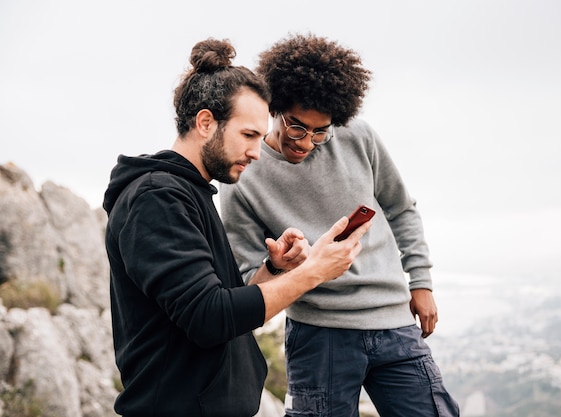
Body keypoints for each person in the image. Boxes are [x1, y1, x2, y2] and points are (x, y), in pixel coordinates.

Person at [102, 37, 370, 417]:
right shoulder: (155, 199)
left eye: (261, 138)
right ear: (206, 122)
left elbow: (225, 310)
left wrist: (275, 271)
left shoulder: (191, 193)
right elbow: (209, 319)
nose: (257, 152)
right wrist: (313, 273)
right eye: (248, 135)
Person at [219, 33, 460, 417]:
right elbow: (251, 285)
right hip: (319, 335)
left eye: (321, 132)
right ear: (275, 108)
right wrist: (281, 265)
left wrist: (422, 282)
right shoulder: (242, 176)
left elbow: (401, 209)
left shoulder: (358, 137)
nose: (307, 143)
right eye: (297, 128)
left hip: (393, 322)